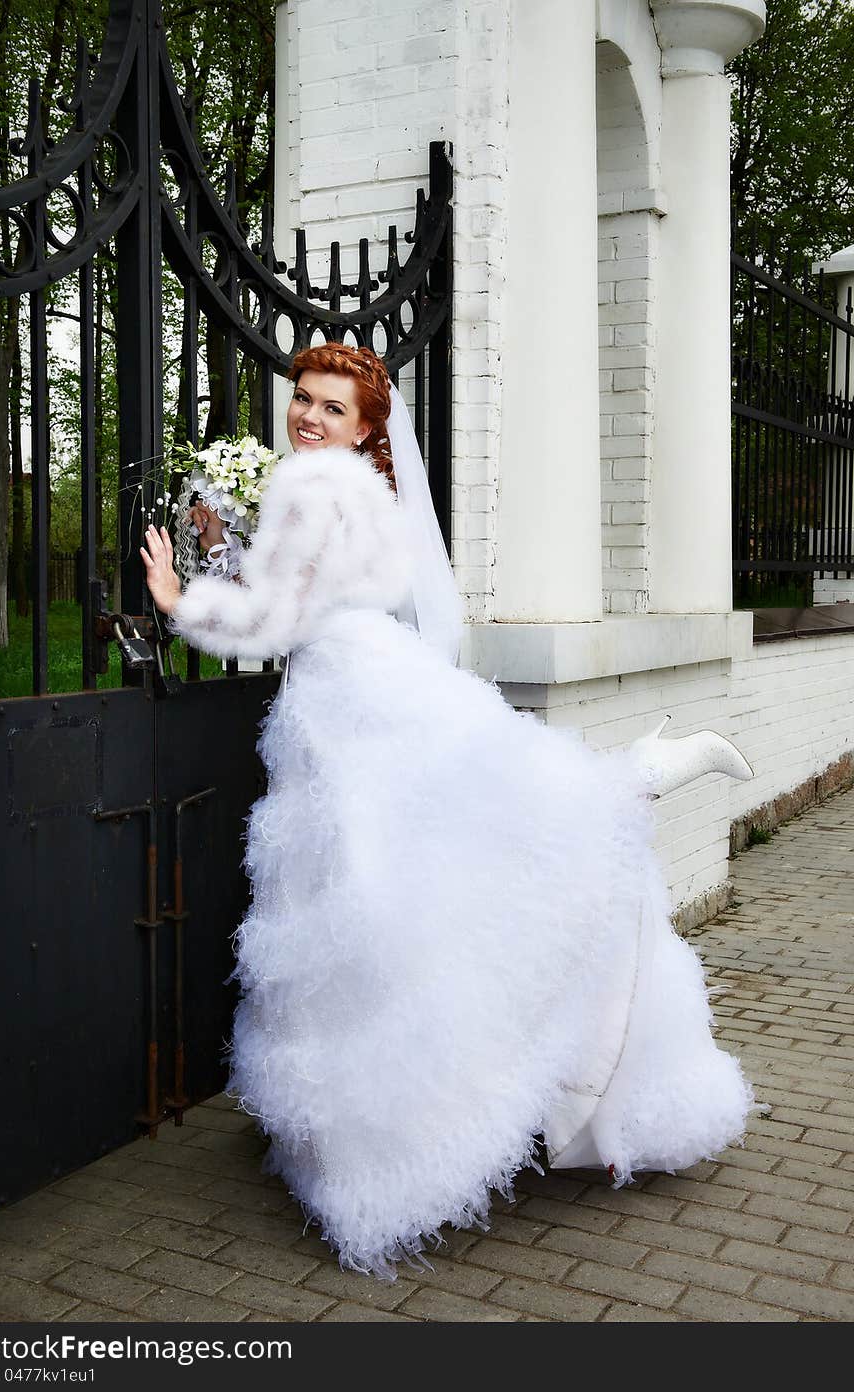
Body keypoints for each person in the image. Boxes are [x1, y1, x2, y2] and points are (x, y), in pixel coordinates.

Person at [140, 343, 755, 1278]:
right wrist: (231, 549)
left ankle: (385, 1155)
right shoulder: (369, 494)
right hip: (387, 687)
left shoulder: (311, 490)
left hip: (351, 709)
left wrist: (181, 595)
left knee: (378, 912)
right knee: (448, 879)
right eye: (302, 399)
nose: (308, 417)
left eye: (332, 409)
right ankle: (629, 783)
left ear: (367, 426)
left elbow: (271, 625)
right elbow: (314, 596)